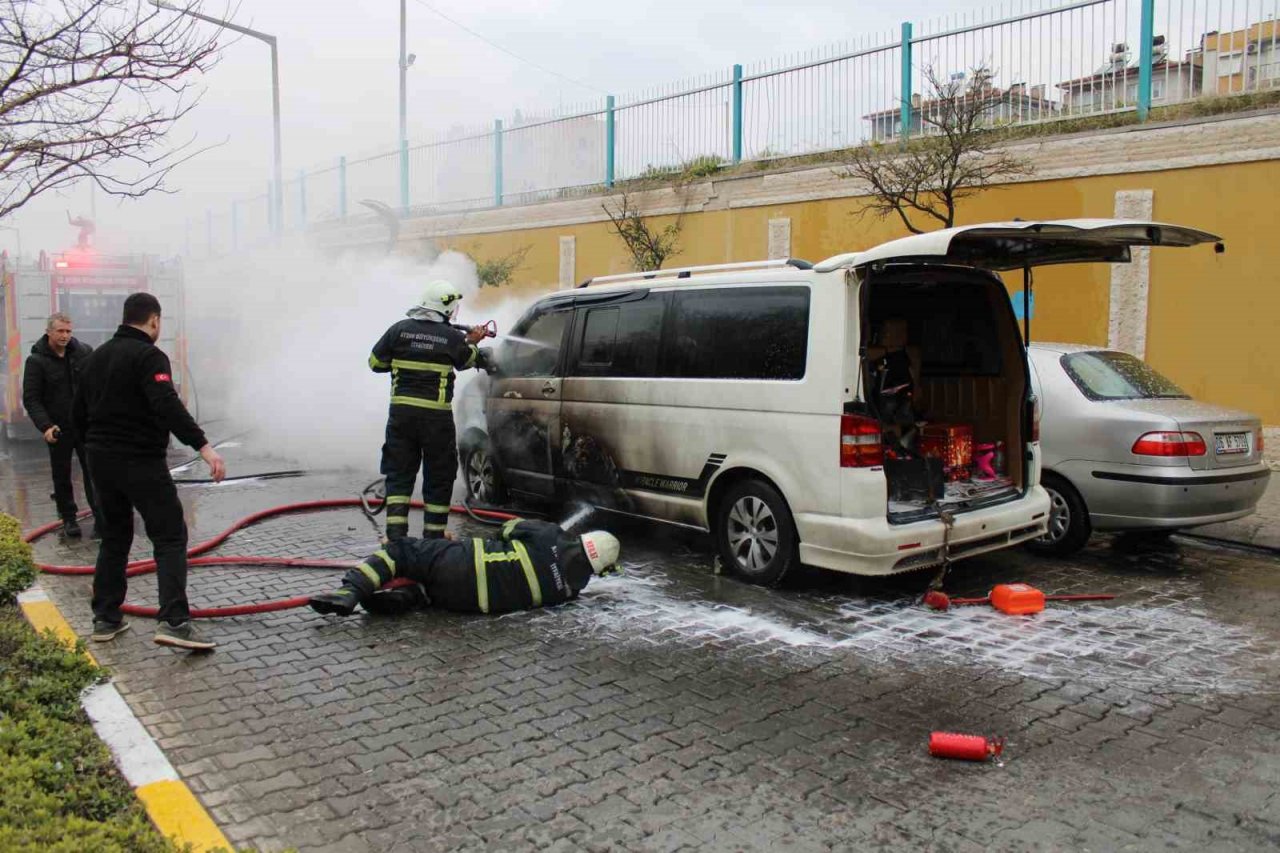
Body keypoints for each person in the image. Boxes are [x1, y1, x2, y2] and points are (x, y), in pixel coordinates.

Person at [72, 293, 226, 650]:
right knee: (170, 535)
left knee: (114, 536)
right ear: (153, 321)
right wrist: (203, 446)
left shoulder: (94, 358)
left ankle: (106, 618)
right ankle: (174, 622)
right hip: (140, 460)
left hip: (100, 461)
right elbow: (166, 403)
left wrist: (95, 451)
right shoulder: (149, 356)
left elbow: (76, 416)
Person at [308, 518, 621, 617]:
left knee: (401, 551)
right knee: (429, 592)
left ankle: (350, 591)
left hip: (464, 562)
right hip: (472, 604)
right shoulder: (570, 593)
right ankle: (409, 597)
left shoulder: (553, 534)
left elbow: (508, 528)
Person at [370, 280, 488, 541]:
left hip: (401, 417)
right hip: (436, 419)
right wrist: (473, 341)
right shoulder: (451, 337)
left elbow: (375, 363)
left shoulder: (398, 330)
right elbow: (467, 360)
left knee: (399, 473)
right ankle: (433, 538)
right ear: (445, 309)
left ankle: (395, 536)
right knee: (438, 474)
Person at [22, 312, 101, 539]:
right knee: (62, 475)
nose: (65, 336)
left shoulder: (84, 353)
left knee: (94, 473)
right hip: (58, 429)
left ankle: (100, 517)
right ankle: (68, 518)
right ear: (49, 332)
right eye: (60, 331)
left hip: (85, 426)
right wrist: (46, 426)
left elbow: (96, 385)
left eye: (68, 331)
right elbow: (32, 399)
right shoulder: (36, 361)